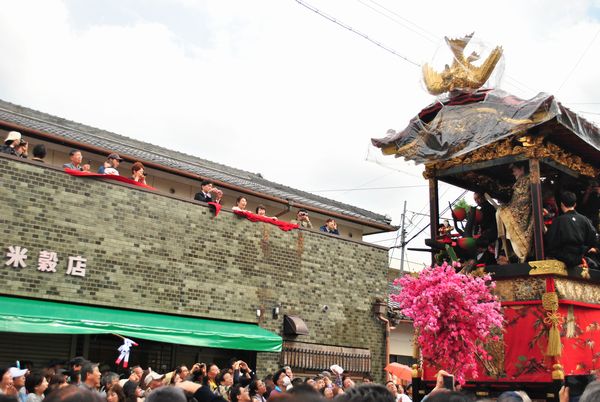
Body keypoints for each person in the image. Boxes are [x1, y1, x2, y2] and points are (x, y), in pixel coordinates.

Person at [545, 191, 599, 267]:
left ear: (561, 204)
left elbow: (550, 241)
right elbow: (594, 237)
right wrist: (594, 248)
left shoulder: (558, 221)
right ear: (575, 204)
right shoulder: (584, 219)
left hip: (562, 259)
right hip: (579, 258)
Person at [496, 163, 533, 263]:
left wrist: (505, 208)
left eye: (515, 169)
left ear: (522, 168)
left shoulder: (525, 181)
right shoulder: (523, 181)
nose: (513, 172)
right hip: (526, 211)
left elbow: (521, 201)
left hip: (526, 213)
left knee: (501, 212)